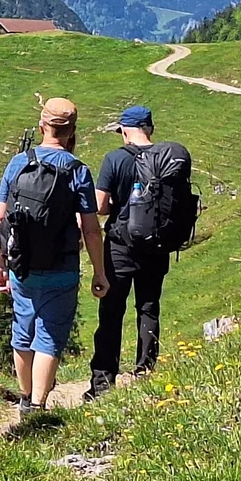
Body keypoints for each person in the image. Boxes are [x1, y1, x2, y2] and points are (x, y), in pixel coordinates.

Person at [0, 98, 107, 415]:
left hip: (22, 265)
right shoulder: (77, 170)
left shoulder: (18, 163)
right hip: (62, 266)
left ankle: (26, 397)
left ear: (42, 126)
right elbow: (91, 229)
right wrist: (99, 272)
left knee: (23, 330)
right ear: (72, 131)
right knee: (50, 334)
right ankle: (37, 405)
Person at [88, 104, 167, 399]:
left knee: (111, 311)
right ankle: (145, 371)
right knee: (148, 307)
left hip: (120, 245)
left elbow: (100, 206)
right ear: (150, 129)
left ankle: (103, 382)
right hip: (156, 245)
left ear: (124, 130)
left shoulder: (115, 159)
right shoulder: (164, 158)